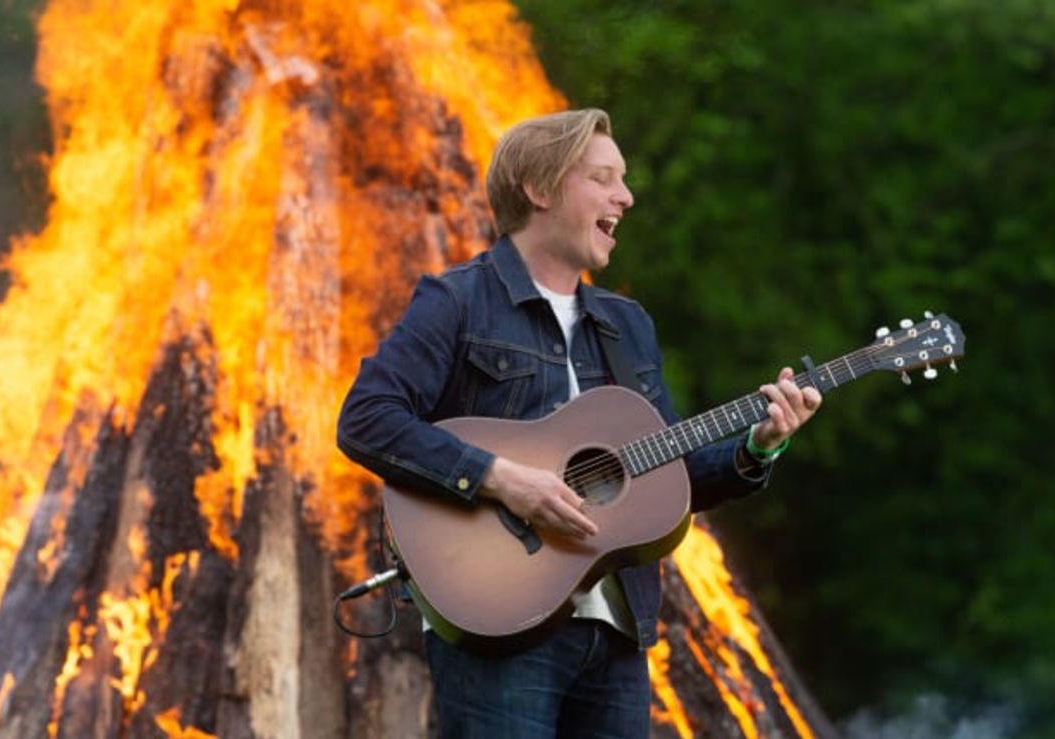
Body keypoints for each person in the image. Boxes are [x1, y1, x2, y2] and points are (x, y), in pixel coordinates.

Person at [337, 108, 821, 738]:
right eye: (604, 178)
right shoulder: (457, 300)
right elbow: (367, 419)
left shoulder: (628, 325)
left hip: (617, 630)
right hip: (497, 626)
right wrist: (502, 480)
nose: (626, 195)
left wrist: (760, 447)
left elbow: (667, 477)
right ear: (540, 191)